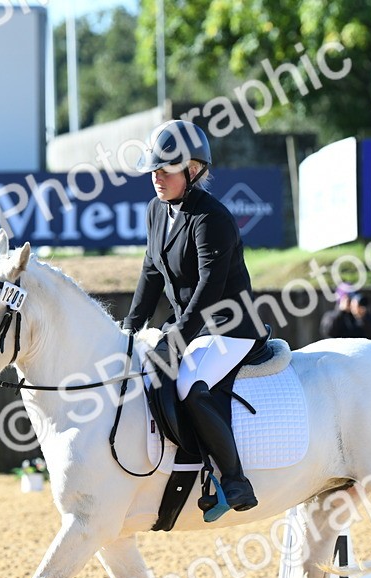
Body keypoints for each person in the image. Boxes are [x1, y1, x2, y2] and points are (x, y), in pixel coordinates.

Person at [122, 119, 264, 512]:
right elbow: (151, 273)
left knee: (189, 384)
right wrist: (130, 329)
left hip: (230, 328)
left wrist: (175, 342)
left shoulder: (211, 218)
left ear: (194, 170)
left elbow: (209, 291)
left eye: (166, 170)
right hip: (192, 327)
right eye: (153, 169)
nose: (157, 177)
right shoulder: (156, 210)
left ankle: (235, 482)